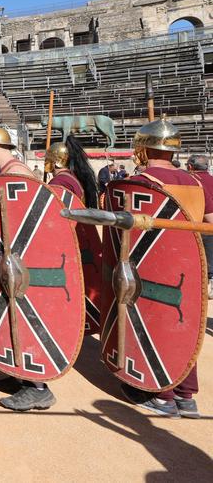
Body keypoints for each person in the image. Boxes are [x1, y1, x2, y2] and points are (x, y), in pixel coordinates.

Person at [120, 119, 212, 419]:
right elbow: (209, 223)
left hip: (153, 266)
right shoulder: (198, 182)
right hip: (190, 264)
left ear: (144, 149)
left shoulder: (141, 182)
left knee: (156, 328)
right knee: (184, 329)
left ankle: (163, 397)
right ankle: (187, 397)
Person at [0, 126, 58, 412]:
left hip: (21, 265)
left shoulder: (18, 174)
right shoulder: (9, 172)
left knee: (23, 321)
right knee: (9, 319)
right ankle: (18, 374)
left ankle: (37, 387)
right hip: (9, 262)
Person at [185, 154, 213, 299]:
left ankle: (206, 286)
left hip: (201, 223)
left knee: (203, 258)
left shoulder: (191, 181)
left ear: (190, 166)